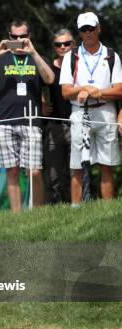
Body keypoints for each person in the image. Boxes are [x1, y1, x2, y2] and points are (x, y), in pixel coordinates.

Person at [0, 21, 55, 212]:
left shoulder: (37, 57)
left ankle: (37, 213)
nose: (19, 40)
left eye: (23, 36)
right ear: (9, 36)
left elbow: (50, 79)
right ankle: (17, 216)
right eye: (14, 37)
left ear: (29, 36)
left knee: (34, 171)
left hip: (31, 120)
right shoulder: (0, 59)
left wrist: (33, 53)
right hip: (4, 122)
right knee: (11, 171)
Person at [60, 12, 122, 206]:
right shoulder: (71, 56)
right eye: (83, 29)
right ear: (79, 32)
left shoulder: (111, 55)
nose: (88, 32)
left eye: (91, 28)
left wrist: (99, 93)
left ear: (98, 28)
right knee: (77, 165)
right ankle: (76, 209)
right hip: (79, 112)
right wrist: (84, 89)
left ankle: (107, 209)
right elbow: (65, 91)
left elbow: (120, 89)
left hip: (106, 111)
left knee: (107, 164)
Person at [42, 29, 75, 204]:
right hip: (54, 124)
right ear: (54, 47)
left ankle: (78, 207)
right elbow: (34, 84)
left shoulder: (81, 65)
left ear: (74, 45)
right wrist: (41, 103)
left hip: (77, 123)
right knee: (54, 174)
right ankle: (53, 208)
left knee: (76, 171)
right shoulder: (48, 67)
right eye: (58, 44)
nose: (63, 47)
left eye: (67, 43)